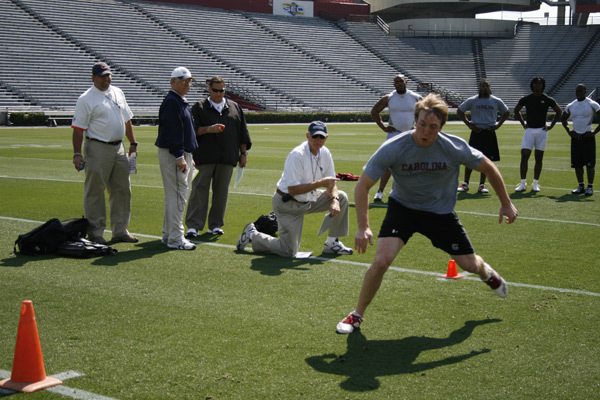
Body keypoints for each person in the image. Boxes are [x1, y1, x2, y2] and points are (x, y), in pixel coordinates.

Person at [336, 94, 518, 335]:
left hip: (439, 213)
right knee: (381, 261)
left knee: (469, 264)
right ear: (415, 121)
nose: (425, 131)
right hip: (403, 208)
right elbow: (362, 186)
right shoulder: (394, 147)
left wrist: (506, 203)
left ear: (441, 127)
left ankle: (486, 272)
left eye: (433, 127)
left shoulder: (453, 147)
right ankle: (356, 315)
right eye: (421, 124)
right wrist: (363, 226)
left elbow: (488, 167)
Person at [236, 121, 353, 258]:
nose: (318, 140)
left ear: (326, 138)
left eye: (321, 137)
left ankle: (332, 244)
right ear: (307, 136)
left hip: (309, 199)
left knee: (342, 197)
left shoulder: (325, 153)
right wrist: (320, 183)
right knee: (289, 251)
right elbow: (292, 190)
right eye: (314, 136)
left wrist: (335, 200)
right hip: (288, 204)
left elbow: (331, 183)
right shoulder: (297, 155)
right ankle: (253, 235)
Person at [71, 62, 138, 245]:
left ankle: (120, 230)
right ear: (93, 78)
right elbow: (78, 129)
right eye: (102, 76)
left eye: (108, 75)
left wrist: (133, 143)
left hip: (120, 147)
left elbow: (127, 119)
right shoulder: (86, 99)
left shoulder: (118, 92)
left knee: (123, 190)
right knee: (95, 191)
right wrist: (77, 154)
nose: (106, 79)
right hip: (97, 147)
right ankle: (95, 232)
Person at [185, 76, 252, 237]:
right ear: (209, 89)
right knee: (199, 192)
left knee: (221, 193)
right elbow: (192, 130)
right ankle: (194, 226)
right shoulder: (199, 107)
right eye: (216, 90)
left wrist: (243, 153)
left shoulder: (234, 107)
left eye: (222, 90)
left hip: (227, 157)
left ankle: (215, 225)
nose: (219, 93)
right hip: (204, 157)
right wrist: (209, 129)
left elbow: (243, 133)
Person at [155, 67, 199, 250]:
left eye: (188, 81)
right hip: (175, 155)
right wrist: (180, 155)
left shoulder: (178, 100)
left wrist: (189, 155)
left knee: (175, 196)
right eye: (183, 81)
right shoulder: (173, 101)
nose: (187, 84)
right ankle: (175, 237)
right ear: (173, 82)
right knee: (179, 196)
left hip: (180, 153)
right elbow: (174, 131)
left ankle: (169, 234)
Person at [371, 74, 422, 202]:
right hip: (394, 134)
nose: (398, 83)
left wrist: (420, 128)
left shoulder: (416, 97)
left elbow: (428, 111)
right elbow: (374, 111)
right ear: (394, 84)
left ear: (406, 82)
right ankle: (380, 191)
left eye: (400, 81)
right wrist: (383, 127)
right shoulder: (389, 98)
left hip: (410, 134)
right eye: (396, 82)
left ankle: (407, 192)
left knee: (411, 164)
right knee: (388, 163)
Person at [456, 79, 510, 193]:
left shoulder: (496, 101)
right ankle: (465, 183)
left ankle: (482, 185)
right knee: (470, 157)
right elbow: (460, 111)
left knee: (486, 159)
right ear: (479, 88)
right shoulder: (473, 100)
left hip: (489, 132)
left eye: (487, 86)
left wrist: (498, 125)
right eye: (482, 86)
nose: (485, 88)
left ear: (490, 87)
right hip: (477, 132)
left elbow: (506, 112)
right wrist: (469, 125)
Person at [513, 76, 562, 192]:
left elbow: (559, 111)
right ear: (532, 85)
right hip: (529, 131)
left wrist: (551, 125)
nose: (537, 85)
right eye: (535, 83)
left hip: (542, 131)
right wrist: (523, 123)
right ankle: (522, 183)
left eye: (539, 83)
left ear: (543, 85)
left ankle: (535, 183)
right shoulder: (526, 99)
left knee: (538, 157)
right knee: (524, 156)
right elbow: (516, 110)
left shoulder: (547, 99)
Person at [561, 83, 600, 196]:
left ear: (585, 92)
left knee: (589, 164)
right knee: (577, 164)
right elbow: (563, 119)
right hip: (576, 138)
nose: (579, 93)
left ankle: (590, 187)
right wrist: (569, 130)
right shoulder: (571, 105)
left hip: (587, 138)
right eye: (577, 91)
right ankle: (581, 185)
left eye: (581, 91)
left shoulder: (592, 104)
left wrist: (594, 132)